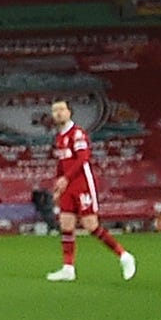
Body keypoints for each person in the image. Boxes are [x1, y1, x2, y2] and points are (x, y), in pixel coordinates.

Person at [44, 104, 131, 282]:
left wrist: (66, 178)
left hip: (82, 184)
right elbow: (61, 163)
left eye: (61, 109)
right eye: (55, 111)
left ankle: (124, 256)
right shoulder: (59, 137)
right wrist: (58, 186)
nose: (58, 113)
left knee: (90, 225)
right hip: (67, 186)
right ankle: (68, 268)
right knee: (66, 224)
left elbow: (83, 157)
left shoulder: (77, 133)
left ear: (69, 112)